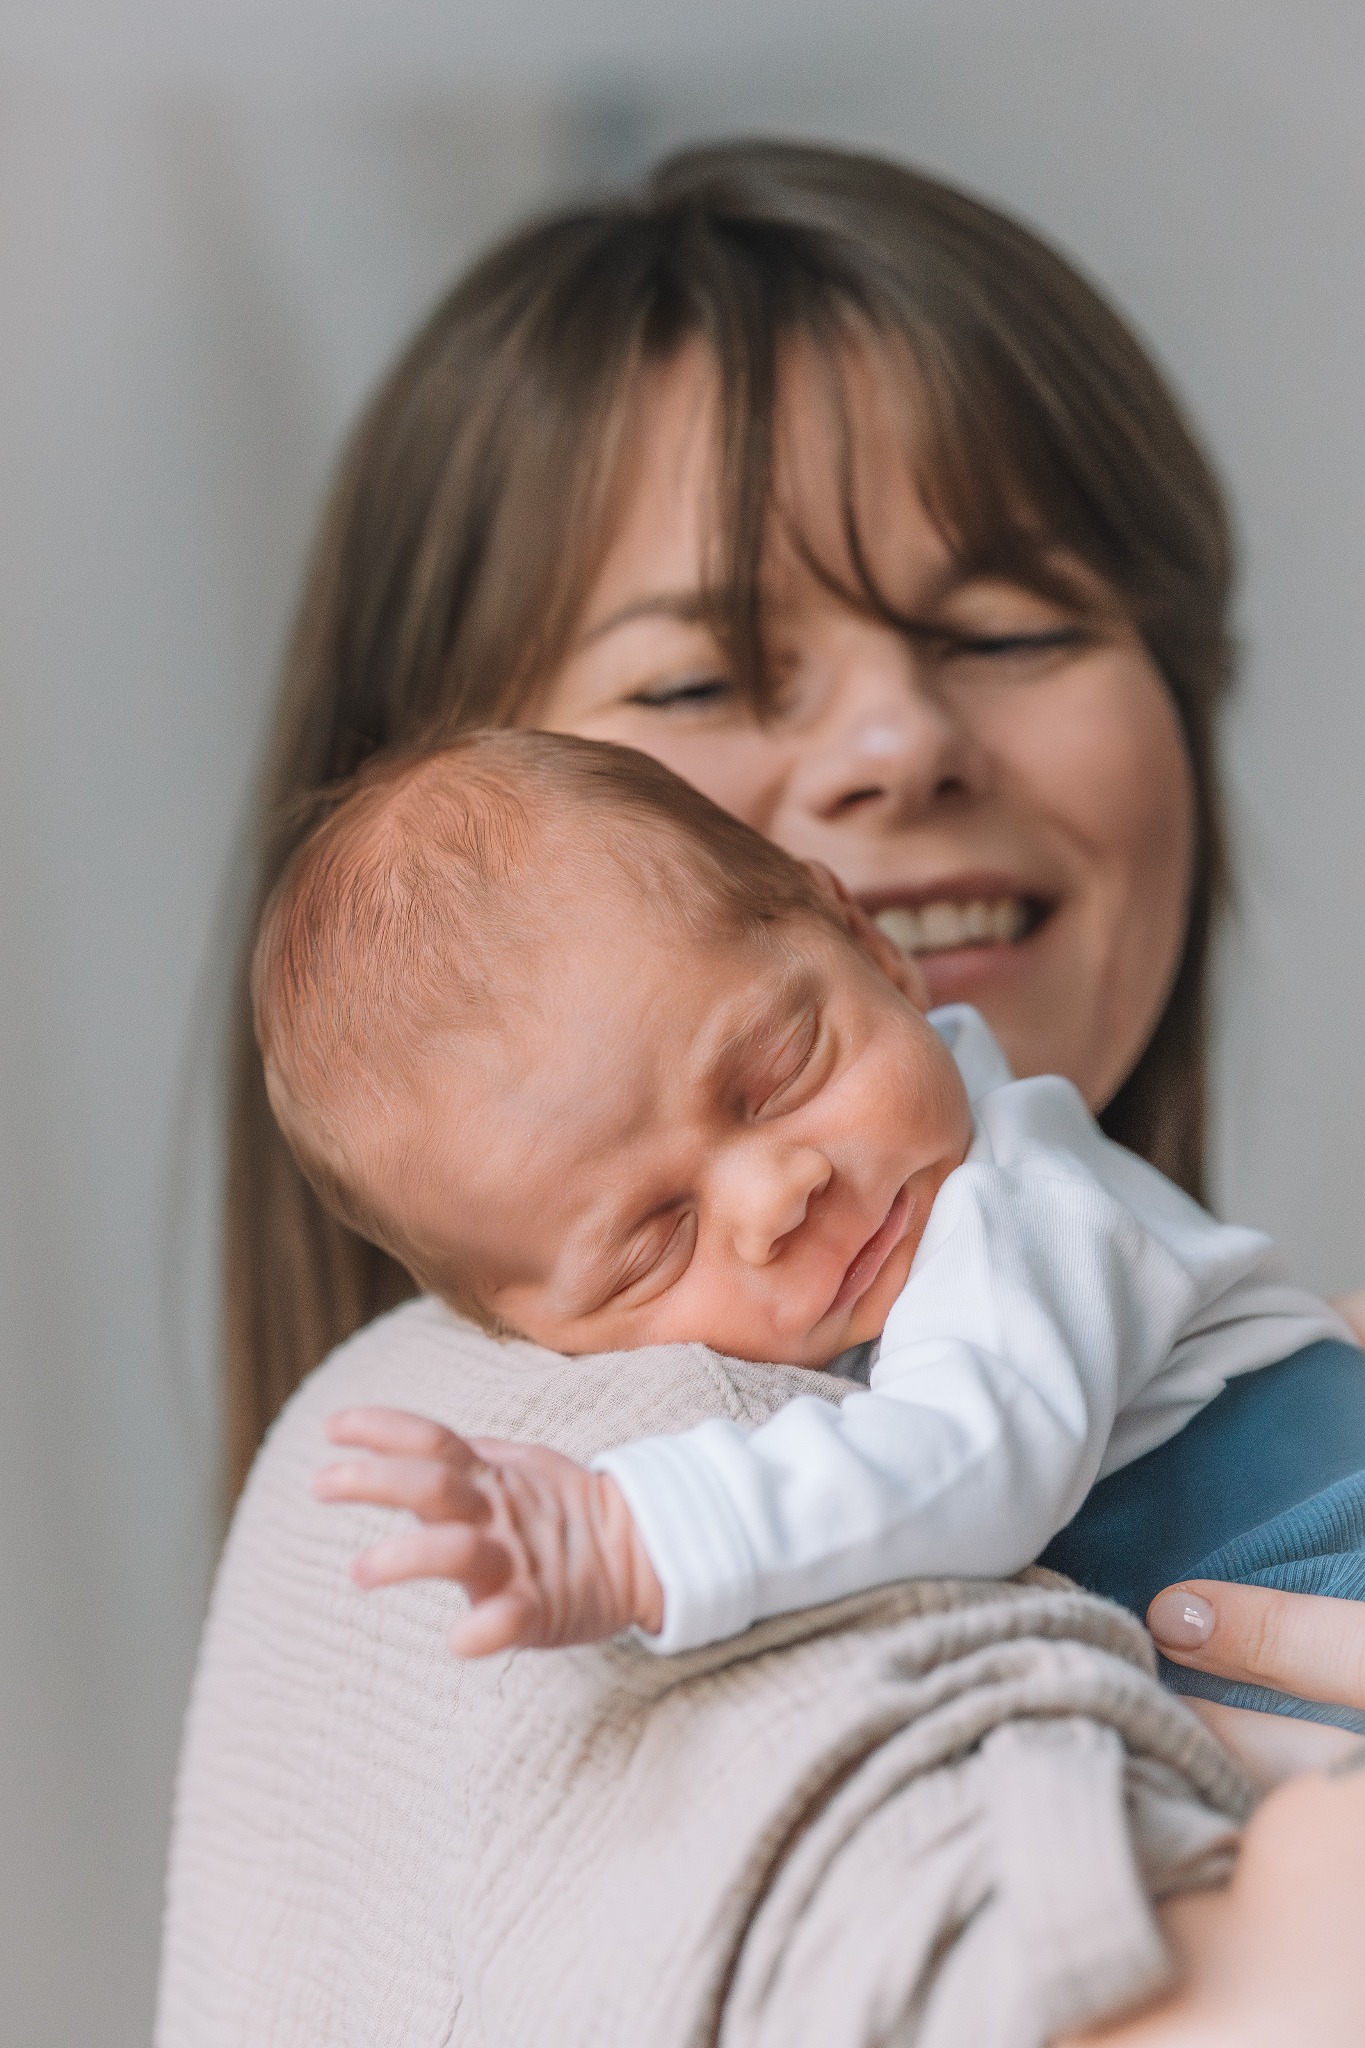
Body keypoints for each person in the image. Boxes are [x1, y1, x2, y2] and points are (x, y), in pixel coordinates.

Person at [177, 139, 1365, 2040]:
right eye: (703, 678)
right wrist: (630, 1540)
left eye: (1010, 628)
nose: (900, 742)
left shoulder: (1022, 1254)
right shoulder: (512, 1479)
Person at [247, 726, 1356, 1703]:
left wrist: (636, 1532)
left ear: (869, 947)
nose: (777, 1194)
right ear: (522, 1328)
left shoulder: (1017, 1197)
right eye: (653, 1241)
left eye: (780, 1071)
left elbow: (967, 1464)